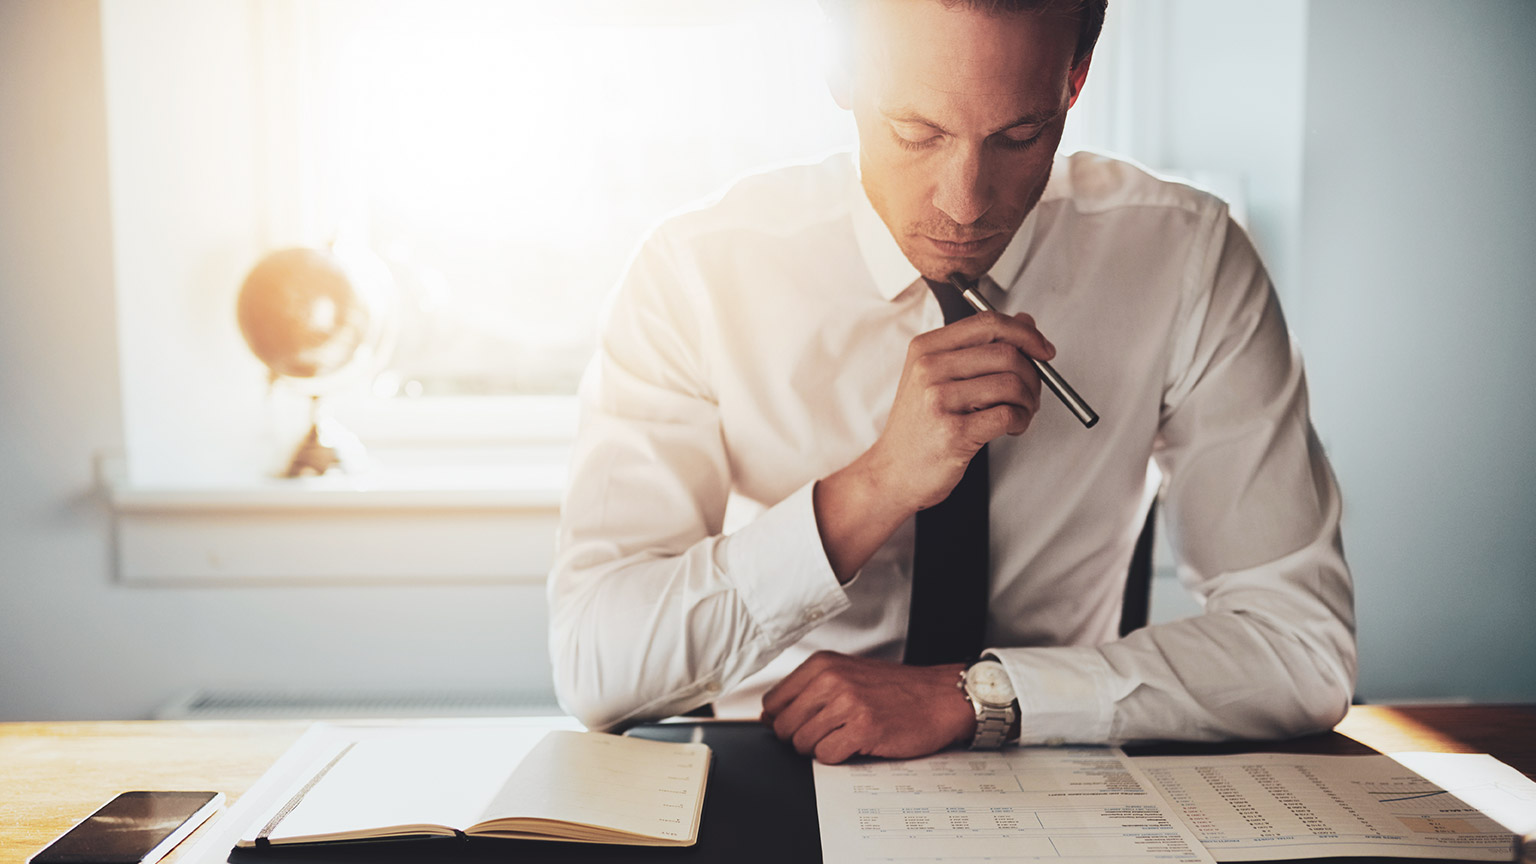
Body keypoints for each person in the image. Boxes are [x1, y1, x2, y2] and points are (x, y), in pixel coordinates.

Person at [547, 0, 1356, 764]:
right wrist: (872, 489)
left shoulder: (1188, 258)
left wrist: (982, 697)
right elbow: (596, 663)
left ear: (1075, 78)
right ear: (843, 70)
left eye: (1020, 135)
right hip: (773, 762)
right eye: (915, 130)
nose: (965, 204)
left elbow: (1302, 645)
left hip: (1055, 770)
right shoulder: (696, 274)